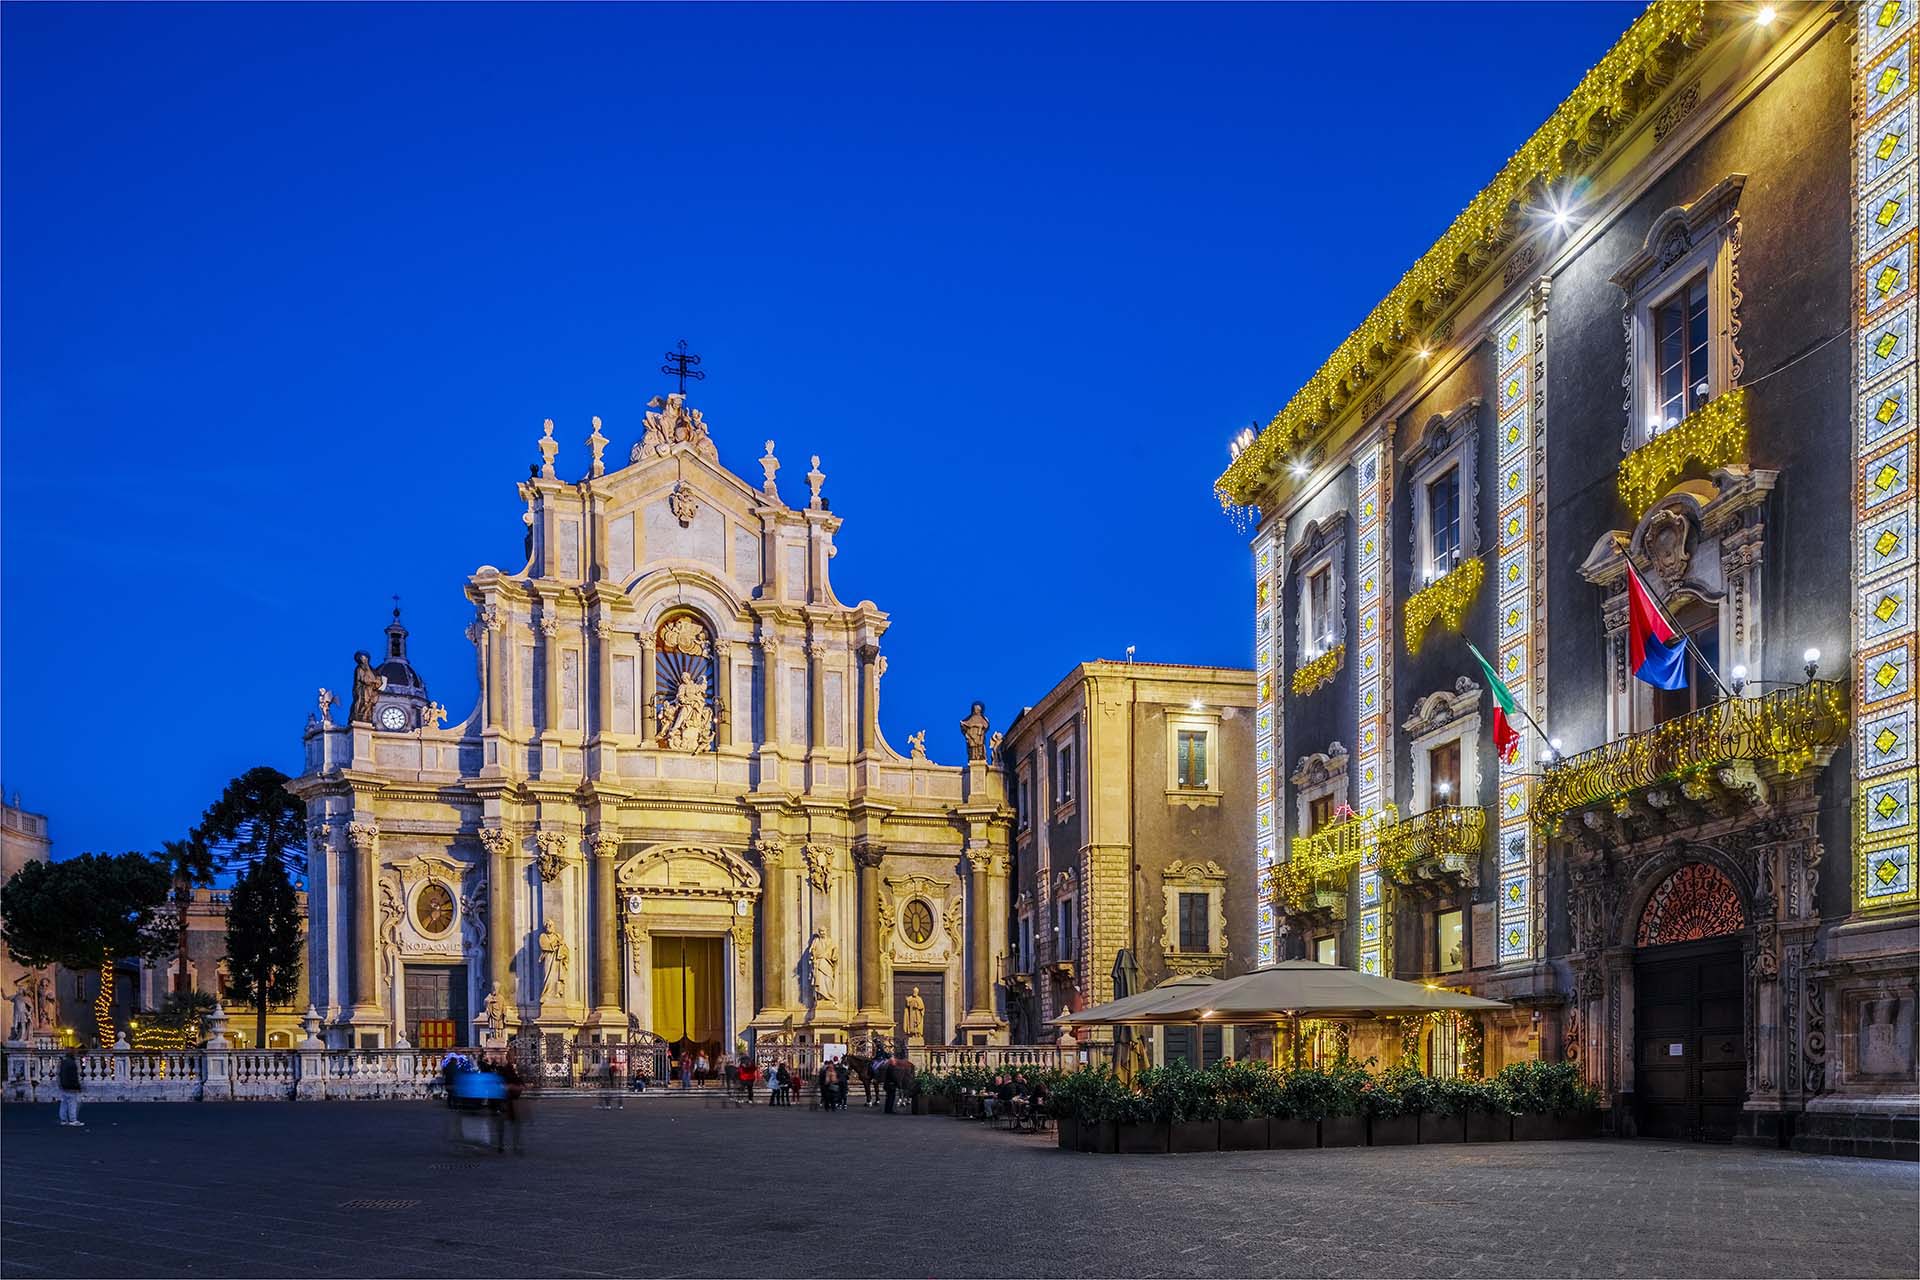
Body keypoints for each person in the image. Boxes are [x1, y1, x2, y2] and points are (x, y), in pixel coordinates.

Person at [56, 1048, 82, 1128]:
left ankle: (63, 1119)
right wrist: (77, 1086)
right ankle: (72, 1120)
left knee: (64, 1103)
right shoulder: (72, 1063)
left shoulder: (63, 1062)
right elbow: (74, 1077)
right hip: (71, 1086)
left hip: (64, 1085)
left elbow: (59, 1074)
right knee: (72, 1103)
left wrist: (60, 1084)